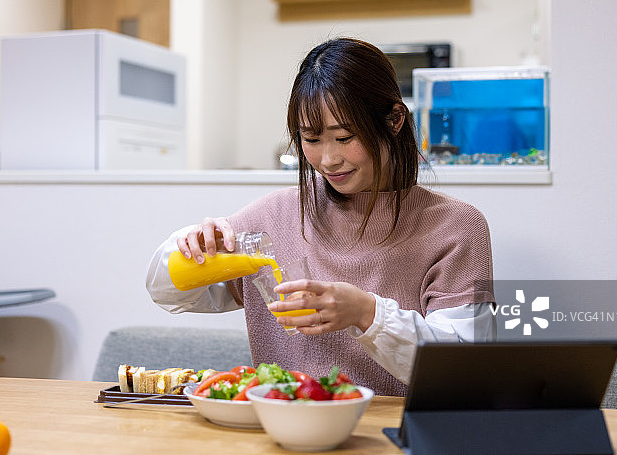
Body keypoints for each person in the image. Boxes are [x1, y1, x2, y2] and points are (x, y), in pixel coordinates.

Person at [147, 38, 495, 396]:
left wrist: (366, 313)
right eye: (311, 139)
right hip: (283, 424)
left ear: (394, 120)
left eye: (344, 137)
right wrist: (191, 245)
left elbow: (463, 371)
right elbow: (168, 294)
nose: (328, 160)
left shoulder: (455, 227)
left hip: (396, 428)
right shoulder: (275, 216)